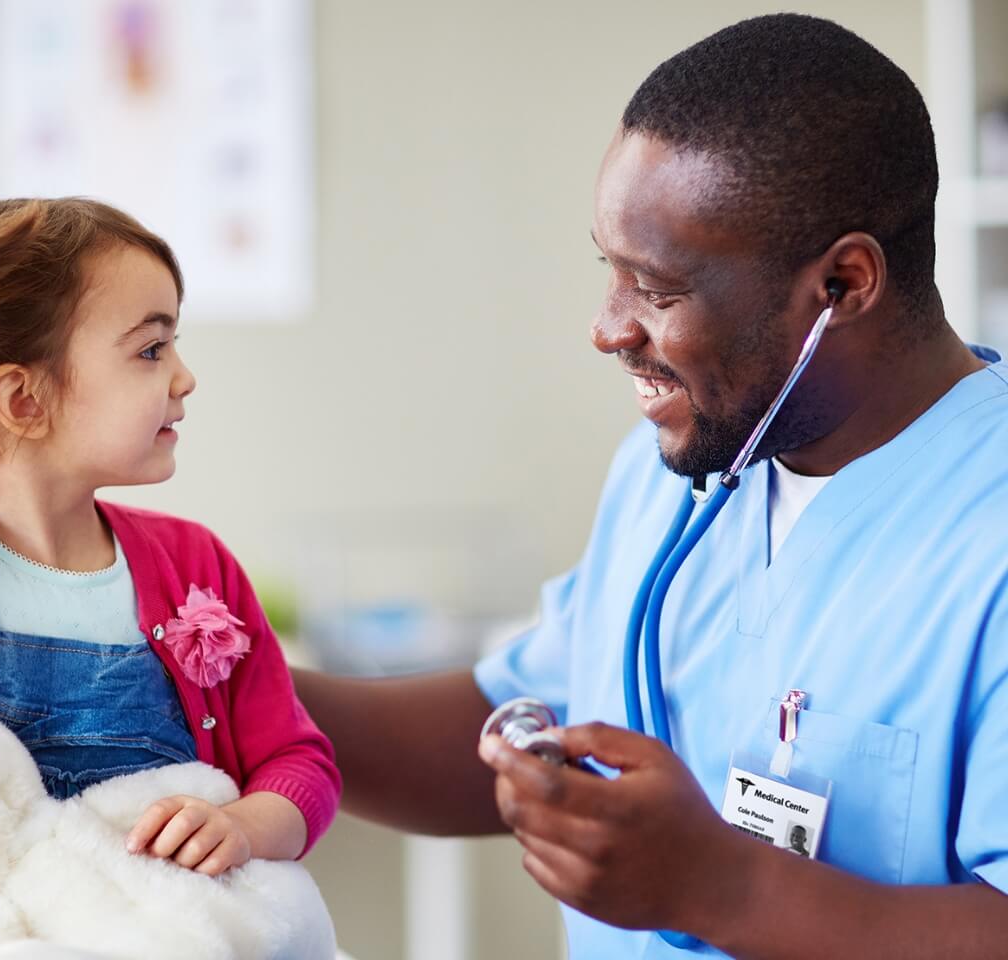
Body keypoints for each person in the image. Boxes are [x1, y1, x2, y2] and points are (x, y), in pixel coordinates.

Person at [294, 14, 1008, 959]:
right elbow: (524, 726)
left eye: (658, 289)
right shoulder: (679, 465)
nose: (606, 327)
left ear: (843, 282)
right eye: (609, 270)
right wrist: (214, 694)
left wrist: (724, 886)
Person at [0, 198, 340, 960]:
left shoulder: (198, 565)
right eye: (152, 349)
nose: (186, 377)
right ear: (25, 399)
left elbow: (299, 763)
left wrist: (247, 826)